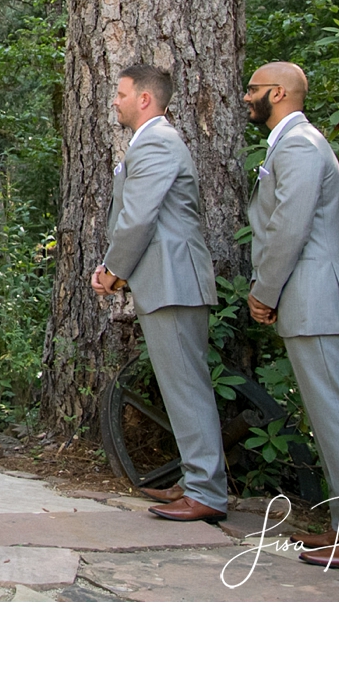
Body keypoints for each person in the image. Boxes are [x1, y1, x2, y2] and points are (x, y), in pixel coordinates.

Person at [243, 62, 339, 568]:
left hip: (314, 298)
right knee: (328, 416)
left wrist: (263, 290)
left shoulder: (302, 144)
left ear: (279, 93)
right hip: (306, 299)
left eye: (254, 89)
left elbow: (290, 226)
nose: (247, 97)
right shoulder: (288, 143)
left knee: (337, 414)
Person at [90, 64, 228, 522]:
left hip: (174, 281)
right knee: (180, 386)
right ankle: (197, 480)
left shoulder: (156, 142)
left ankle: (207, 492)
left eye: (122, 93)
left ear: (145, 99)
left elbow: (138, 217)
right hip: (167, 279)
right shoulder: (150, 142)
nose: (116, 100)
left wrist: (112, 270)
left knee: (186, 387)